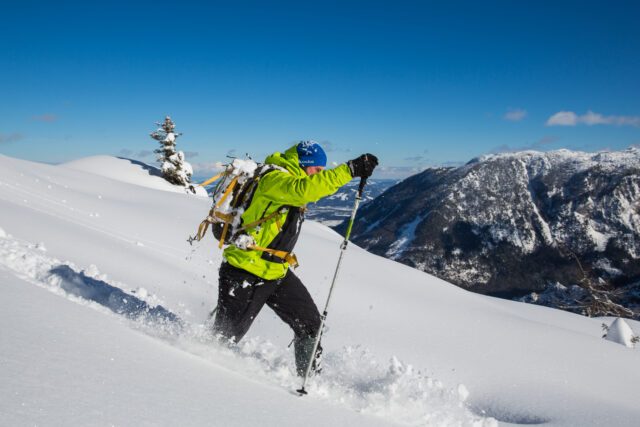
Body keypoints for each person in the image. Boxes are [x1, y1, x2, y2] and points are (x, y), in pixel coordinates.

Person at [212, 141, 378, 376]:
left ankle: (310, 381)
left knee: (311, 326)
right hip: (245, 272)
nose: (318, 175)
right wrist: (349, 169)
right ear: (304, 164)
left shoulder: (288, 182)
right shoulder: (275, 180)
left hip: (275, 272)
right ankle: (200, 378)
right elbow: (306, 189)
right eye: (316, 170)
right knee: (221, 342)